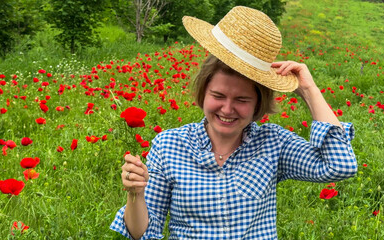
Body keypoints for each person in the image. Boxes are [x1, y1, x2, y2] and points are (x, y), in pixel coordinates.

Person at [110, 6, 357, 240]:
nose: (227, 110)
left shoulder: (273, 143)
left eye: (241, 100)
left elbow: (340, 166)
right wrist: (136, 194)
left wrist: (309, 90)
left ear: (258, 104)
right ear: (203, 92)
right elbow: (140, 233)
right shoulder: (170, 145)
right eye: (218, 96)